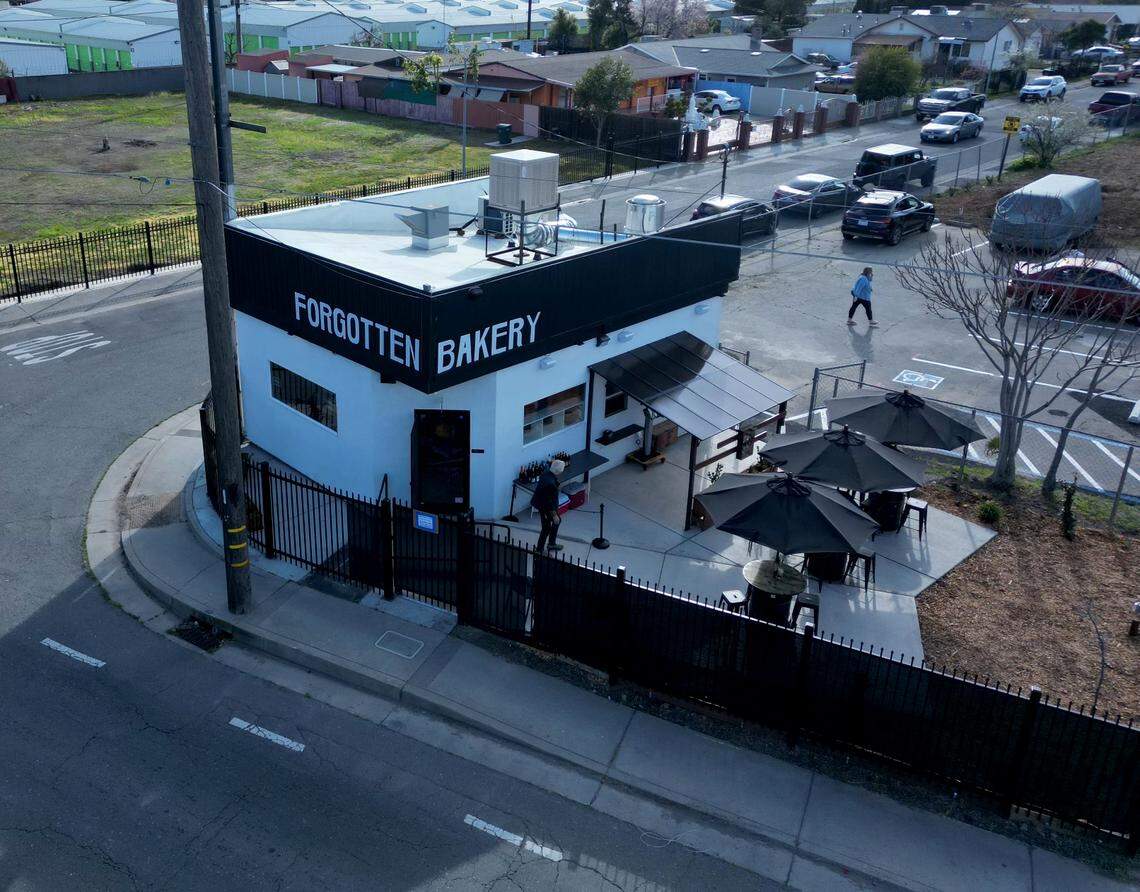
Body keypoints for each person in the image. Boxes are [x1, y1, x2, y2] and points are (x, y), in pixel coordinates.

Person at [532, 459, 565, 553]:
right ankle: (540, 549)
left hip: (541, 503)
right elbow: (548, 502)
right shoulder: (551, 484)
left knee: (554, 523)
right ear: (559, 472)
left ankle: (551, 543)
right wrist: (554, 515)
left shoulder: (546, 472)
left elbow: (548, 464)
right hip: (545, 507)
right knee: (547, 527)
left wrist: (553, 461)